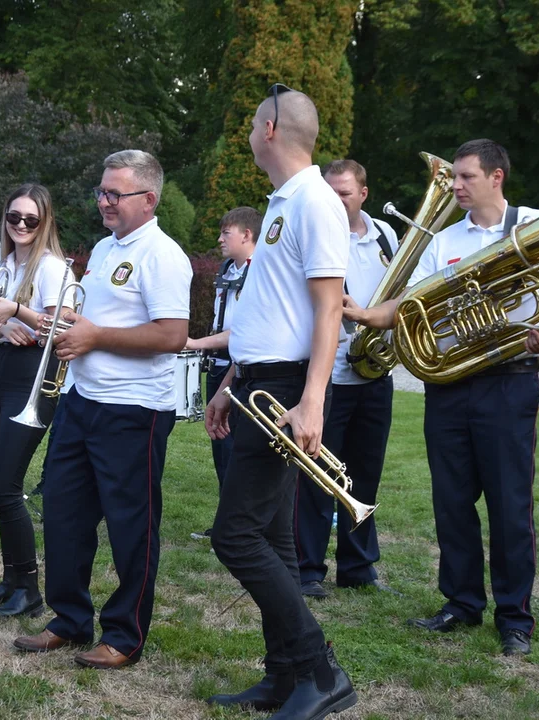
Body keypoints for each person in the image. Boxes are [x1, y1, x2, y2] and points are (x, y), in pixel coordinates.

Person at [343, 138, 539, 657]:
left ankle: (515, 617)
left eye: (466, 177)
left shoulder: (535, 223)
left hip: (509, 381)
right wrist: (363, 314)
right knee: (451, 502)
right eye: (454, 178)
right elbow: (409, 302)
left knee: (509, 504)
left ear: (497, 176)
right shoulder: (444, 238)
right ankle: (461, 603)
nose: (456, 186)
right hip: (448, 384)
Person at [204, 86, 357, 719]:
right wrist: (229, 383)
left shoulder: (315, 203)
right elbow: (271, 308)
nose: (246, 129)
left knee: (235, 536)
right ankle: (285, 677)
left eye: (250, 119)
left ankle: (321, 672)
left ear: (269, 128)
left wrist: (314, 400)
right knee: (273, 535)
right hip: (256, 381)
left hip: (290, 387)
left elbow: (328, 310)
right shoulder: (281, 203)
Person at [12, 150, 191, 670]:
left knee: (131, 527)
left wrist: (94, 336)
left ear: (148, 199)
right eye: (102, 192)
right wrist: (71, 322)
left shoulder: (164, 255)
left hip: (134, 411)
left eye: (116, 194)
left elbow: (172, 334)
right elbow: (98, 319)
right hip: (82, 401)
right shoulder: (106, 248)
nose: (104, 202)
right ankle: (69, 620)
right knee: (64, 515)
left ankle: (125, 635)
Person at [293, 159, 400, 599]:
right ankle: (308, 569)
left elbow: (400, 291)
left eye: (345, 194)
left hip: (374, 374)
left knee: (365, 474)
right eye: (330, 193)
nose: (336, 201)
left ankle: (357, 567)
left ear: (363, 194)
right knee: (318, 475)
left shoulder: (387, 236)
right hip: (331, 375)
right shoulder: (320, 231)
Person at [0, 183, 71, 617]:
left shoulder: (52, 268)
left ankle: (28, 588)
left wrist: (16, 312)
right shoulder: (4, 263)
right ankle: (11, 581)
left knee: (7, 485)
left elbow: (61, 329)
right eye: (14, 218)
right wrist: (2, 325)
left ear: (45, 221)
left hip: (33, 378)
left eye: (31, 218)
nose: (22, 225)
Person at [184, 206, 261, 540]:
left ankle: (238, 530)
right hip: (218, 369)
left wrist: (196, 342)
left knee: (238, 453)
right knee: (221, 450)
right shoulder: (227, 270)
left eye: (225, 233)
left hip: (243, 373)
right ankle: (226, 524)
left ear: (247, 235)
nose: (219, 239)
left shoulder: (260, 273)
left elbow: (245, 331)